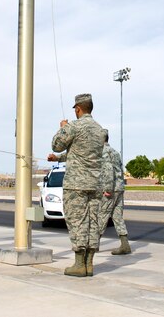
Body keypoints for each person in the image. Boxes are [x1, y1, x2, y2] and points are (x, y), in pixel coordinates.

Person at [48, 93, 105, 277]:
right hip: (95, 183)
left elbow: (56, 145)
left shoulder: (74, 126)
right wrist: (60, 158)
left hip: (76, 184)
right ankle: (89, 264)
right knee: (93, 222)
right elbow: (81, 152)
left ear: (78, 109)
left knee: (77, 221)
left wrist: (63, 128)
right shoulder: (99, 130)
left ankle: (79, 264)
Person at [97, 130, 131, 255]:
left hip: (110, 190)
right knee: (117, 217)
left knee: (102, 216)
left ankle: (94, 246)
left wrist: (107, 189)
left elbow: (108, 170)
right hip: (119, 188)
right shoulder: (115, 152)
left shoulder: (103, 152)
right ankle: (125, 244)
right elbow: (120, 171)